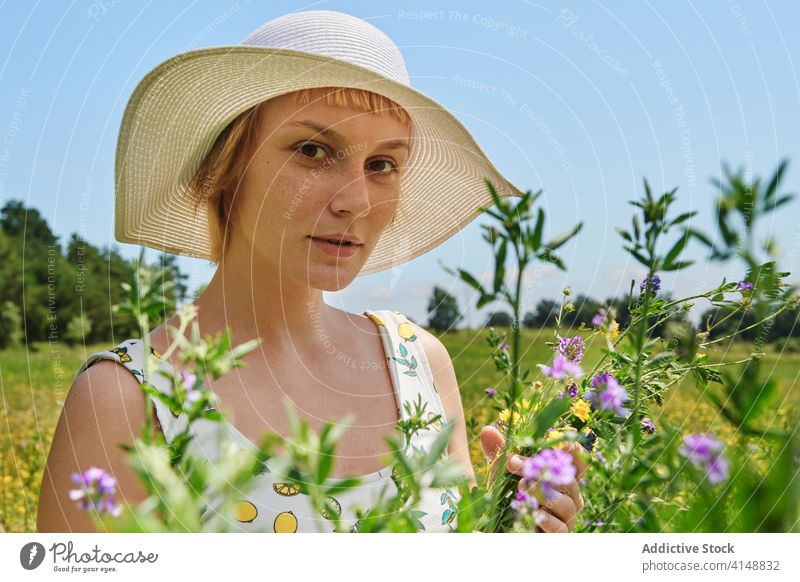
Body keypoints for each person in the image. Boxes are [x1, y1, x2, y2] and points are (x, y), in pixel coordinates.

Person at [37, 9, 587, 533]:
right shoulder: (125, 401)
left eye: (382, 165)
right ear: (226, 165)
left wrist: (512, 535)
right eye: (312, 149)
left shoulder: (421, 363)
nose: (356, 200)